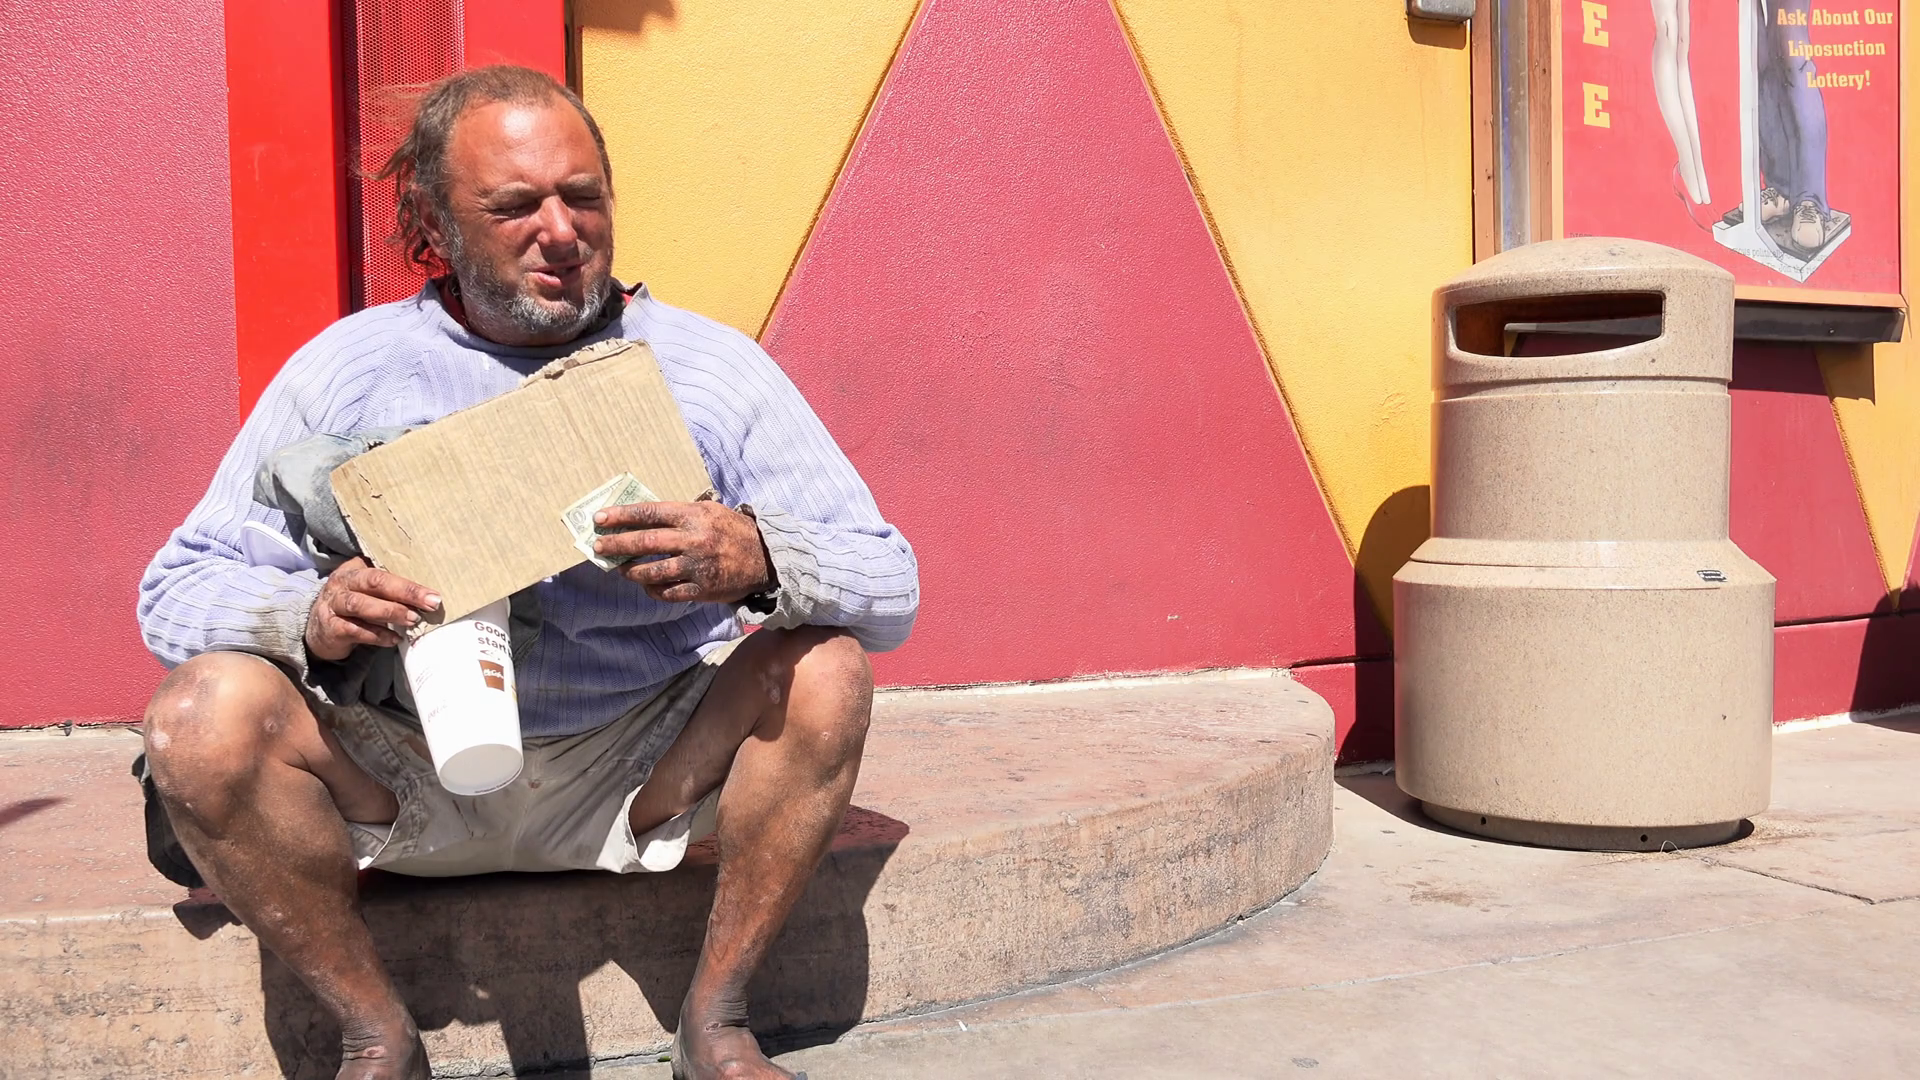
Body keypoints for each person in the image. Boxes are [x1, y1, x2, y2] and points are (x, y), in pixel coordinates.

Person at [135, 64, 918, 1080]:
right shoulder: (350, 369)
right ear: (435, 225)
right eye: (515, 206)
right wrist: (309, 616)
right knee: (200, 713)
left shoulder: (709, 372)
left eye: (582, 196)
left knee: (827, 670)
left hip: (643, 771)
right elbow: (176, 588)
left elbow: (890, 583)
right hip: (406, 774)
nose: (560, 231)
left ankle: (718, 1024)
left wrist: (759, 555)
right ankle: (376, 1036)